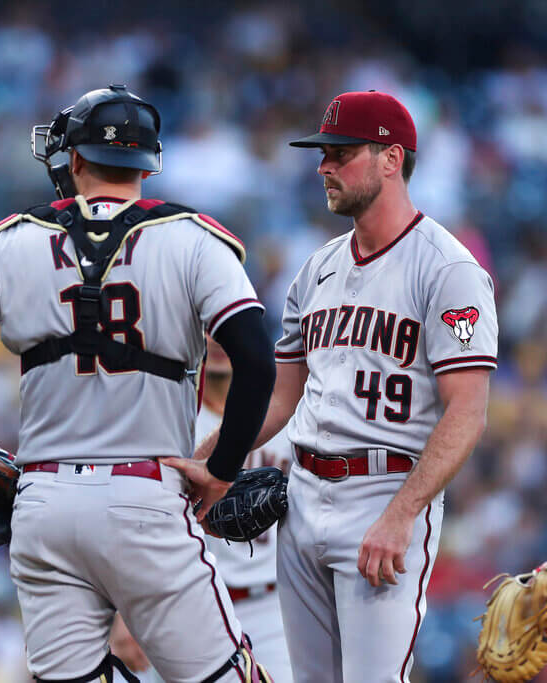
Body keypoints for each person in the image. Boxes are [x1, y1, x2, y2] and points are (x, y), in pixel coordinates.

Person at [0, 84, 276, 683]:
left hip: (43, 505)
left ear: (74, 160)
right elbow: (254, 356)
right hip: (144, 496)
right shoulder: (194, 239)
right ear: (150, 162)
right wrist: (223, 468)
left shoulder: (13, 239)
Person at [172, 91, 498, 682]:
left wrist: (401, 517)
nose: (324, 166)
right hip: (301, 496)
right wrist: (213, 459)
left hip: (386, 491)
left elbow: (467, 414)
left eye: (341, 153)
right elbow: (280, 395)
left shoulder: (448, 270)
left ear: (391, 159)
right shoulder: (317, 267)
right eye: (324, 153)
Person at [112, 337, 294, 682]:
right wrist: (125, 614)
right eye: (210, 327)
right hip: (188, 603)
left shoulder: (286, 418)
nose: (221, 340)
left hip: (274, 604)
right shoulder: (172, 420)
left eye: (229, 327)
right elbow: (141, 516)